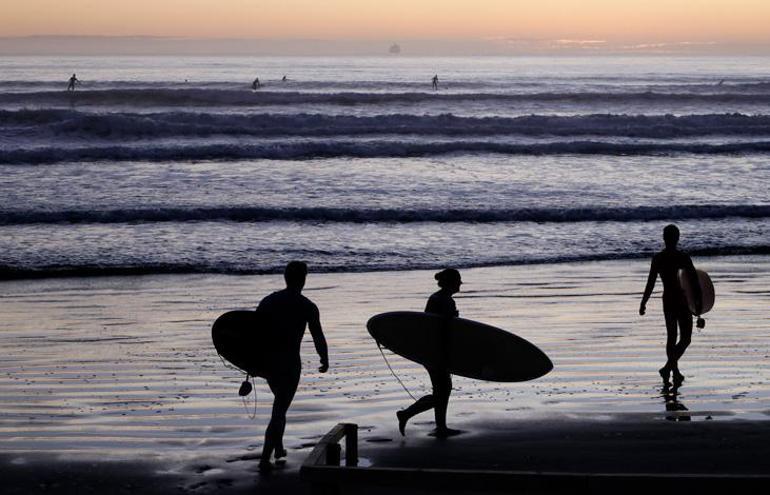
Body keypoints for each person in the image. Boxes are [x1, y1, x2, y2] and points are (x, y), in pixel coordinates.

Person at [256, 261, 329, 472]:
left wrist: (251, 361)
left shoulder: (269, 301)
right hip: (289, 362)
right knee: (279, 409)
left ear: (285, 277)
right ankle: (264, 458)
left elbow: (253, 331)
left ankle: (278, 448)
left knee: (280, 403)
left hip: (268, 361)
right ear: (304, 279)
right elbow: (318, 336)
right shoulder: (307, 306)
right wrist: (324, 358)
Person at [397, 268, 462, 438]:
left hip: (429, 350)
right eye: (458, 281)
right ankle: (407, 414)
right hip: (437, 352)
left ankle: (440, 426)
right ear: (452, 283)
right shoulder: (445, 301)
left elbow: (428, 326)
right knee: (442, 390)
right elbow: (446, 329)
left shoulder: (437, 298)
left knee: (442, 390)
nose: (460, 284)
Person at [639, 224, 701, 385]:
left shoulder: (658, 258)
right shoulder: (683, 257)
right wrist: (699, 304)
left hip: (668, 300)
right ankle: (670, 368)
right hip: (682, 300)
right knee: (685, 338)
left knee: (672, 337)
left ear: (664, 238)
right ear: (677, 238)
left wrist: (643, 302)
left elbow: (650, 283)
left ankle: (673, 369)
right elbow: (694, 282)